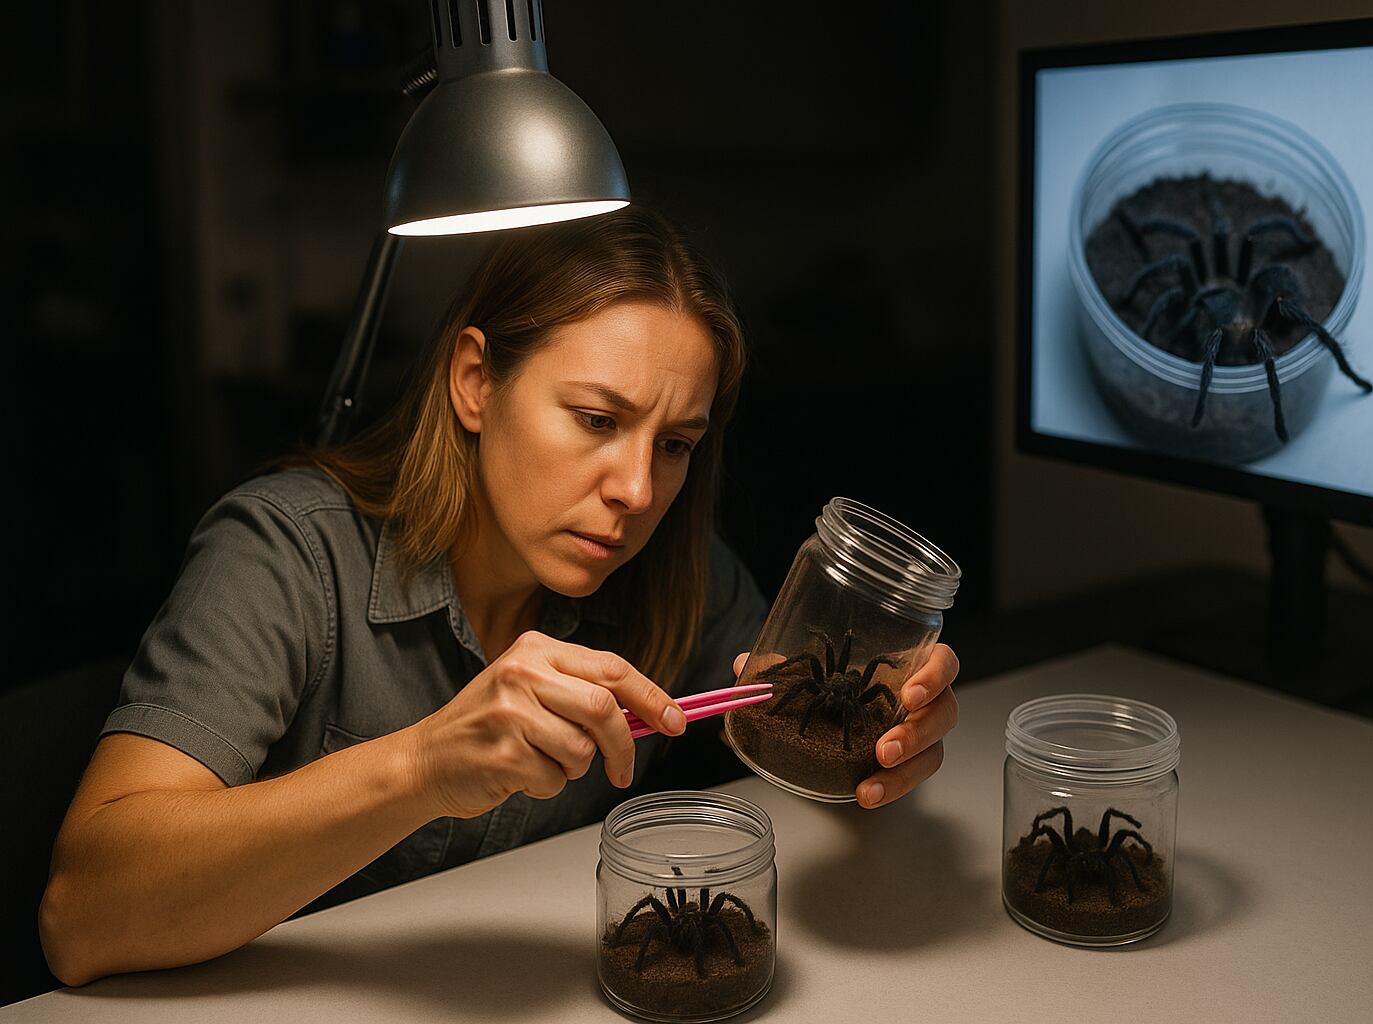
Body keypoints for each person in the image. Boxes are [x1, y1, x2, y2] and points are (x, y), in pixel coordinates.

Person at [38, 206, 960, 986]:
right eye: (597, 420)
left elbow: (777, 717)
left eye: (675, 443)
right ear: (476, 382)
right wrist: (419, 768)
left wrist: (883, 738)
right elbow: (81, 920)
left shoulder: (673, 570)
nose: (637, 491)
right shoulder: (285, 554)